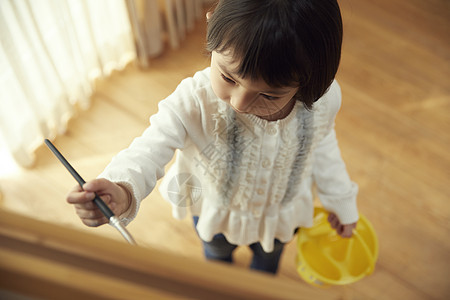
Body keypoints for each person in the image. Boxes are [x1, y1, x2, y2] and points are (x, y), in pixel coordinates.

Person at [66, 0, 358, 275]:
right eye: (229, 78)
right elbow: (149, 148)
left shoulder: (323, 102)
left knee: (266, 268)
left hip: (281, 216)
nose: (240, 104)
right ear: (211, 24)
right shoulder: (194, 100)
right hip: (216, 214)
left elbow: (321, 143)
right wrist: (122, 188)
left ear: (313, 81)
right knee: (217, 262)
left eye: (269, 95)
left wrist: (340, 199)